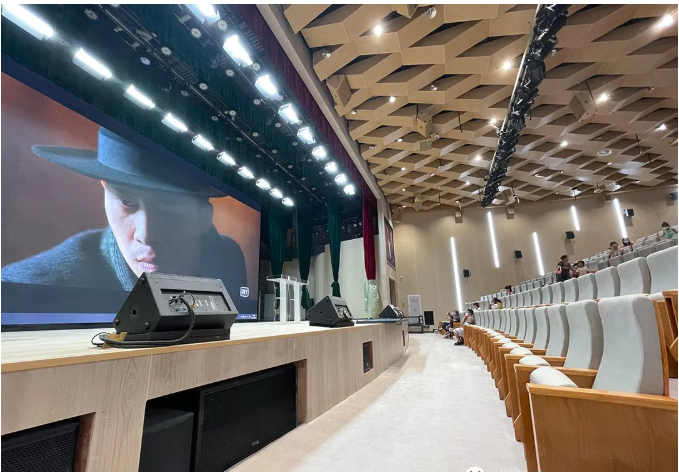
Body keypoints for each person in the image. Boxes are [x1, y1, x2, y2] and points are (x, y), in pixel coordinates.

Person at [2, 127, 247, 297]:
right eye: (126, 201)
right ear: (104, 189)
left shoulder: (228, 255)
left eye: (169, 206)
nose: (146, 235)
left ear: (204, 216)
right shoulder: (22, 287)